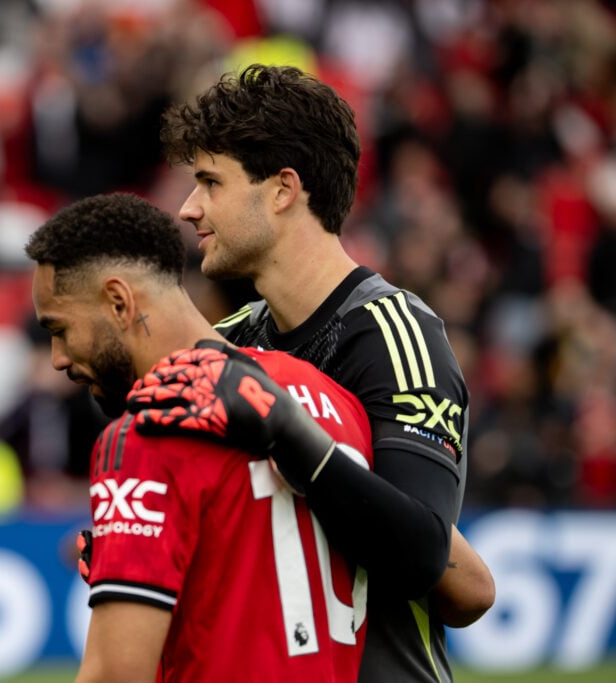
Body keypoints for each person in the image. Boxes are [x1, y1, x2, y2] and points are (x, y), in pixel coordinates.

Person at [128, 64, 495, 683]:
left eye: (210, 182)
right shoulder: (230, 341)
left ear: (282, 189)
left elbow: (424, 553)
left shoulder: (393, 332)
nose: (188, 209)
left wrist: (290, 435)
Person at [25, 192, 375, 682]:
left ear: (119, 301)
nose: (58, 357)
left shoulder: (147, 429)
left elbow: (116, 674)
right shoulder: (328, 395)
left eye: (59, 329)